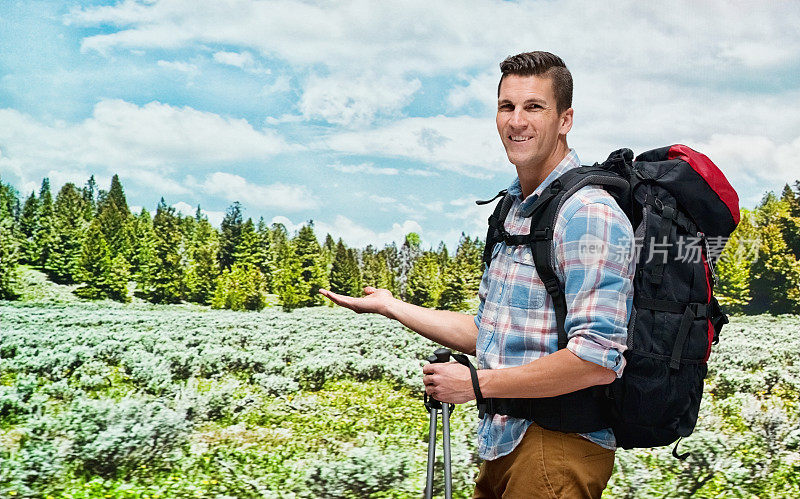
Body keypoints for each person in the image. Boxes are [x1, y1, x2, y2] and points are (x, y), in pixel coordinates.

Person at [319, 51, 635, 499]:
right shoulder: (512, 212)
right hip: (505, 442)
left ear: (565, 120)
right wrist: (391, 306)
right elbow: (489, 333)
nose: (517, 121)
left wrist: (475, 385)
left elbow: (596, 358)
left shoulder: (588, 214)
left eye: (534, 107)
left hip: (557, 448)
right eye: (507, 107)